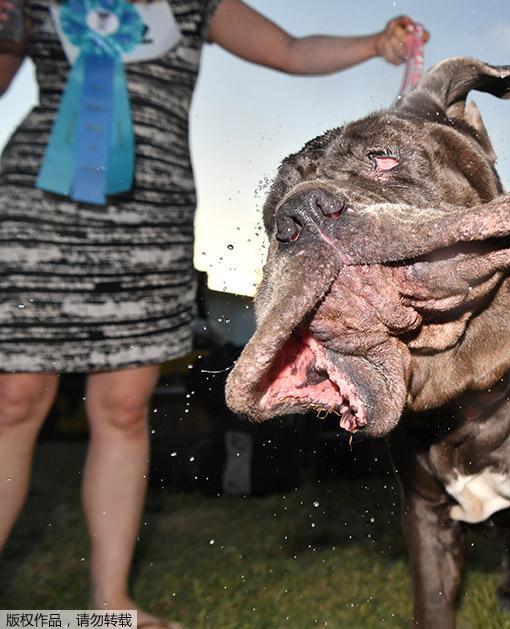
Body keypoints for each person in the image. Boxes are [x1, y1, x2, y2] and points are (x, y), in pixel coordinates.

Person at [0, 1, 429, 626]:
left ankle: (110, 608)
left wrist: (375, 43)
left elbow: (289, 50)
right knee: (13, 399)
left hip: (150, 212)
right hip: (39, 201)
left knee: (122, 406)